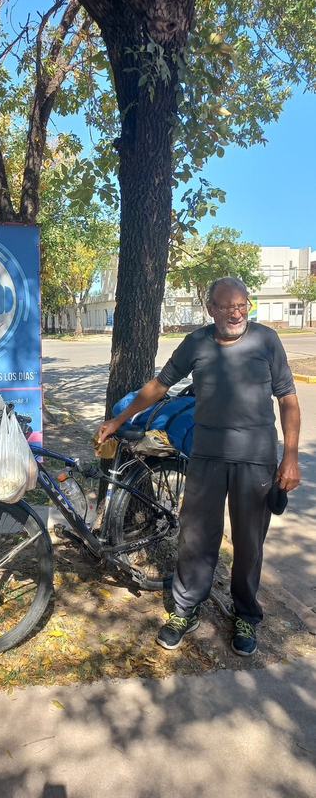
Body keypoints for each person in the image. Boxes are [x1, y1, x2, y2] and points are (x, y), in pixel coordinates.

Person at [98, 277, 300, 656]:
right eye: (226, 306)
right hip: (206, 456)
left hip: (256, 458)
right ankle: (186, 609)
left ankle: (245, 615)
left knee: (249, 542)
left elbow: (288, 399)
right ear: (210, 309)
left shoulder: (266, 340)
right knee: (195, 536)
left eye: (242, 305)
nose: (236, 313)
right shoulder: (197, 343)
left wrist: (290, 456)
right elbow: (159, 386)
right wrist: (119, 418)